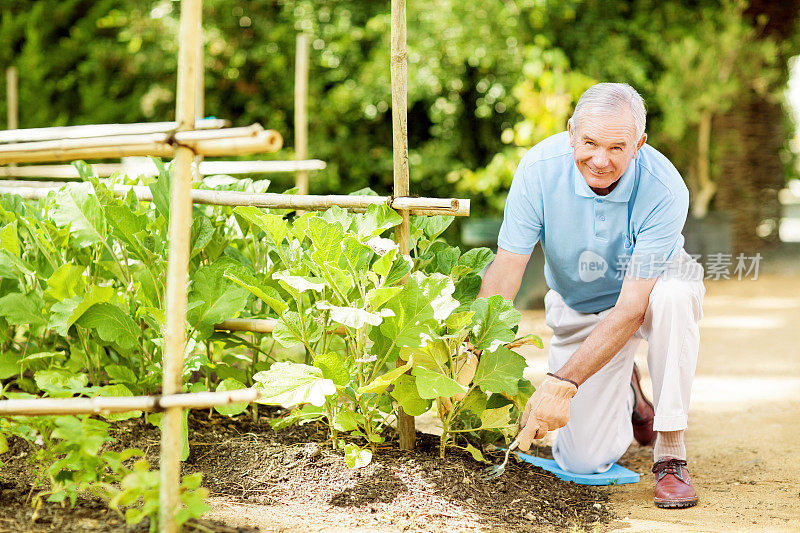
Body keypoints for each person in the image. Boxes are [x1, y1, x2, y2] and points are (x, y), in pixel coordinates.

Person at [476, 82, 705, 508]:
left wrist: (561, 384)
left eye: (618, 147)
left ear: (639, 144)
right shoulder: (539, 169)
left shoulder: (665, 187)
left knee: (673, 298)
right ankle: (630, 389)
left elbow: (633, 308)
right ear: (570, 133)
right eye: (589, 143)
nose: (601, 161)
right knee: (583, 462)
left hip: (648, 293)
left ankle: (671, 453)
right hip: (580, 304)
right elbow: (507, 271)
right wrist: (470, 350)